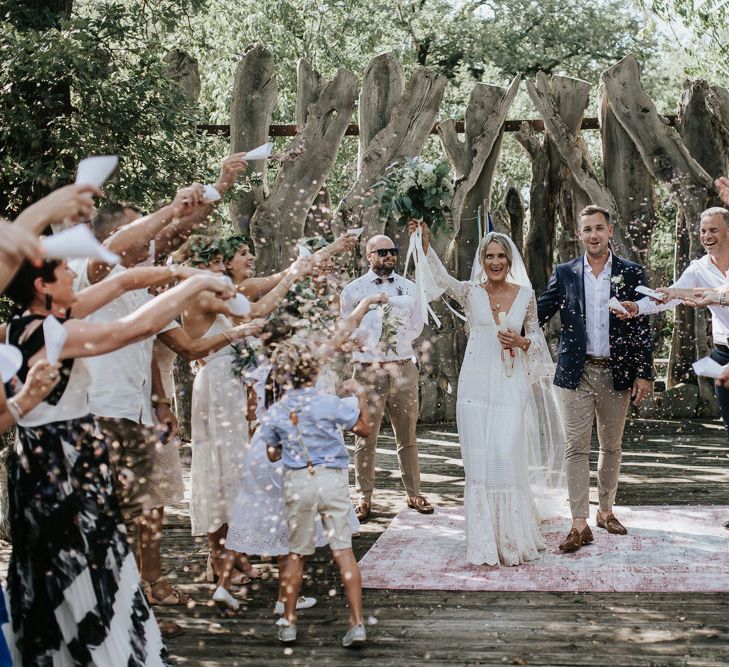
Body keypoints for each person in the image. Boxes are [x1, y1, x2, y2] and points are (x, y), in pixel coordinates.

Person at [3, 255, 230, 665]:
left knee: (51, 566)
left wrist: (182, 273)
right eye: (64, 271)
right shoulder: (60, 333)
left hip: (30, 466)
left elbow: (122, 282)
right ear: (43, 286)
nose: (74, 272)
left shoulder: (9, 332)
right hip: (68, 464)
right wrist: (194, 286)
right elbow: (137, 327)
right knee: (92, 561)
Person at [413, 221, 563, 565]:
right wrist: (423, 244)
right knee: (479, 459)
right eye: (489, 256)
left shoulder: (525, 296)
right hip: (476, 382)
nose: (495, 262)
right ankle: (483, 539)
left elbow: (537, 343)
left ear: (510, 261)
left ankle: (512, 536)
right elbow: (440, 280)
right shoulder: (470, 292)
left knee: (504, 452)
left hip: (511, 382)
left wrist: (522, 341)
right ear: (482, 260)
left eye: (501, 257)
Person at [537, 205, 653, 553]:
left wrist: (644, 373)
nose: (593, 235)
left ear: (610, 231)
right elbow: (539, 311)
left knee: (611, 446)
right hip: (575, 371)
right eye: (587, 229)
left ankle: (605, 511)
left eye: (599, 228)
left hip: (616, 373)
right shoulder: (566, 272)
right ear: (580, 234)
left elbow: (643, 325)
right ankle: (578, 523)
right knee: (576, 447)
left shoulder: (631, 273)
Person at [261, 338, 372, 648]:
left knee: (296, 553)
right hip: (332, 481)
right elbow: (363, 428)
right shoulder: (328, 402)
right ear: (314, 373)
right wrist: (360, 397)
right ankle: (357, 623)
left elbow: (271, 454)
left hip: (298, 481)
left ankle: (289, 622)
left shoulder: (279, 409)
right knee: (343, 551)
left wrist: (285, 442)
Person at [340, 234, 431, 522]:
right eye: (382, 252)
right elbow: (346, 327)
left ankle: (414, 493)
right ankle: (363, 498)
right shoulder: (353, 290)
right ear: (368, 255)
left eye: (393, 251)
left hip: (403, 367)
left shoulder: (409, 287)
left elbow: (417, 325)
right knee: (365, 437)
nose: (389, 256)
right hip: (367, 371)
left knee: (408, 436)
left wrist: (398, 347)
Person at [619, 206, 729, 436]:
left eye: (713, 230)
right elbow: (672, 297)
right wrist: (638, 307)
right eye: (703, 231)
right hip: (724, 350)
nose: (707, 237)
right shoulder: (698, 268)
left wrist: (714, 296)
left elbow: (720, 292)